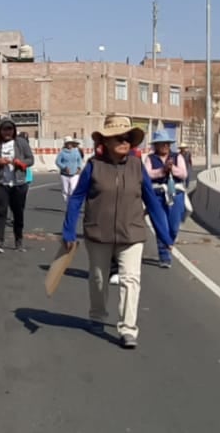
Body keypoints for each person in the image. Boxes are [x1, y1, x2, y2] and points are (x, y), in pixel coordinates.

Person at [62, 114, 174, 349]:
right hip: (98, 233)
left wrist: (165, 237)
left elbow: (151, 201)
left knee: (131, 280)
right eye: (119, 138)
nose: (124, 142)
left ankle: (128, 329)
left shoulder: (136, 166)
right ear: (106, 142)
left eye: (127, 138)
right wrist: (69, 231)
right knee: (99, 278)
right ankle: (97, 315)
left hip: (131, 233)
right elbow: (76, 199)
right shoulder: (94, 166)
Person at [0, 117, 33, 252]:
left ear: (14, 130)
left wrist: (21, 163)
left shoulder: (21, 143)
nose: (7, 132)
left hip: (19, 183)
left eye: (10, 129)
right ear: (0, 130)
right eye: (5, 129)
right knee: (1, 212)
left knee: (18, 213)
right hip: (2, 183)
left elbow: (31, 159)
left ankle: (19, 241)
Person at [145, 128, 190, 268]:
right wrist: (162, 171)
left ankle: (169, 242)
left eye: (167, 143)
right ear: (156, 145)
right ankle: (165, 256)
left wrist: (172, 169)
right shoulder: (150, 158)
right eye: (161, 143)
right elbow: (147, 175)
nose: (164, 146)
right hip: (157, 195)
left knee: (174, 226)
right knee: (161, 225)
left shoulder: (177, 157)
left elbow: (184, 174)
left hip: (175, 194)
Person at [56, 137, 85, 202]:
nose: (69, 145)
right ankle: (67, 202)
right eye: (68, 143)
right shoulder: (62, 153)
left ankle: (71, 204)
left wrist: (79, 167)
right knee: (65, 190)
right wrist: (64, 167)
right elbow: (58, 162)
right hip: (64, 174)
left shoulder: (76, 151)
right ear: (65, 144)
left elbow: (79, 160)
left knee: (73, 189)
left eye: (70, 143)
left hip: (74, 174)